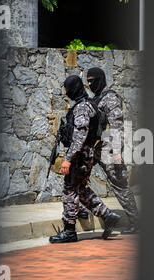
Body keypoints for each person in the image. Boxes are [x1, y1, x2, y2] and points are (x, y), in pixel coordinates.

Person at [49, 75, 121, 244]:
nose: (67, 93)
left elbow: (80, 137)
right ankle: (107, 215)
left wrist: (68, 159)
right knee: (80, 189)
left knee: (69, 190)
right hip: (84, 154)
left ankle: (69, 231)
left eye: (68, 89)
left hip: (80, 155)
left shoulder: (82, 107)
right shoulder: (86, 104)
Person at [78, 67, 140, 234]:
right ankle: (79, 210)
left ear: (100, 79)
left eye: (92, 80)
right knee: (78, 177)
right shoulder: (97, 98)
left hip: (109, 149)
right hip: (95, 148)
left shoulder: (110, 98)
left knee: (119, 184)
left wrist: (118, 152)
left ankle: (136, 221)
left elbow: (118, 127)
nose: (90, 84)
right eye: (88, 81)